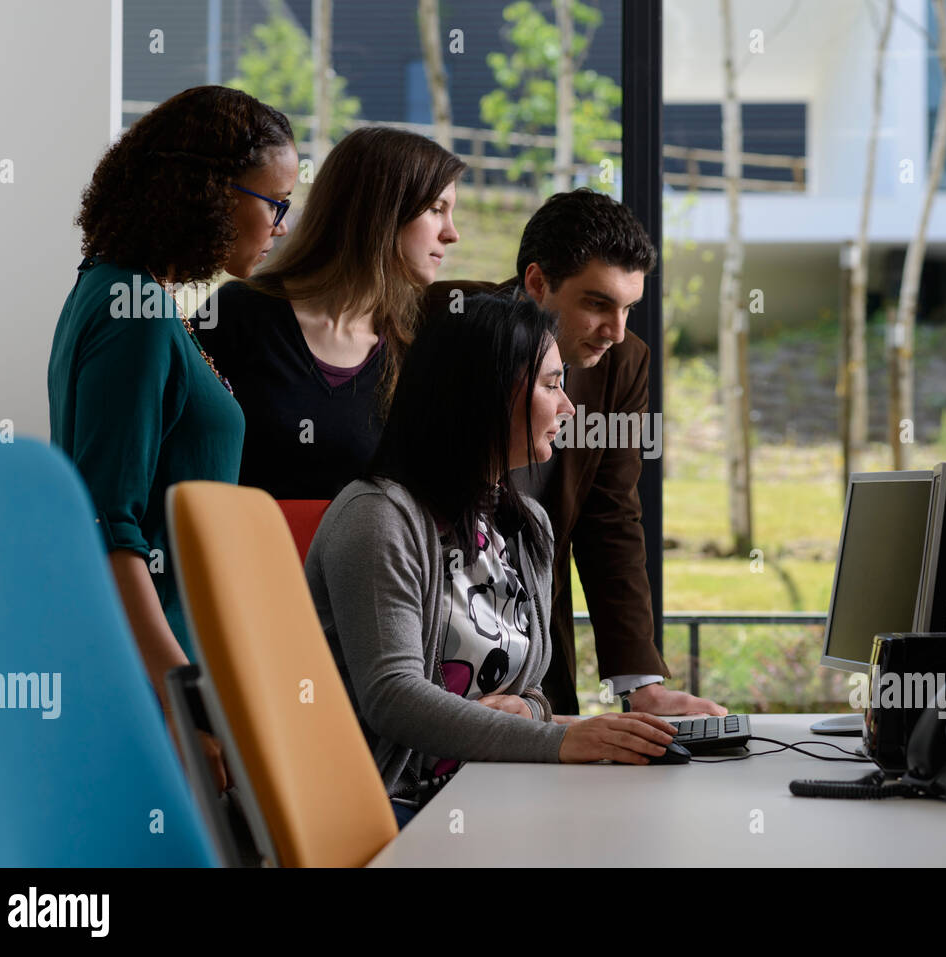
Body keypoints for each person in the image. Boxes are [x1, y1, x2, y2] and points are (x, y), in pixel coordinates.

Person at [304, 294, 678, 826]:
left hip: (491, 792)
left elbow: (527, 691)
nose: (569, 406)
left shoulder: (526, 525)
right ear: (485, 394)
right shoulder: (377, 517)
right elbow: (394, 698)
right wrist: (555, 739)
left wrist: (534, 712)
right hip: (389, 810)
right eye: (552, 384)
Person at [48, 85, 298, 788]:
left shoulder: (127, 294)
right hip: (150, 675)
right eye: (273, 203)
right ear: (211, 193)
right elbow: (110, 524)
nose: (281, 224)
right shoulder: (133, 310)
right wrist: (181, 696)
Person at [424, 189, 726, 717]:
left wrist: (642, 684)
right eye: (597, 304)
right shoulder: (445, 322)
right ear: (537, 283)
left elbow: (611, 518)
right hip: (429, 643)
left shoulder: (622, 362)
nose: (617, 331)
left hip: (533, 662)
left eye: (628, 308)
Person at [200, 127, 464, 500]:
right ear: (380, 210)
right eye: (437, 210)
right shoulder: (238, 315)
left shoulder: (416, 347)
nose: (452, 234)